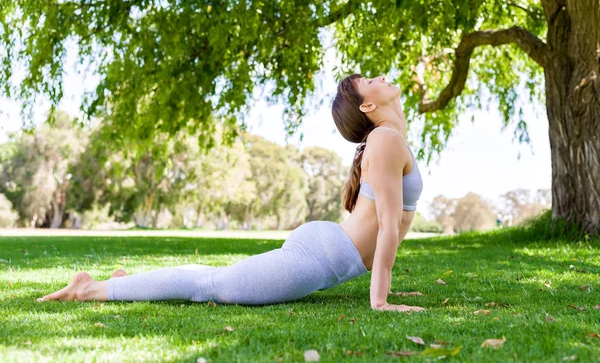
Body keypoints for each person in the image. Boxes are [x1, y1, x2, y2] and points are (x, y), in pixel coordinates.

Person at [36, 73, 425, 313]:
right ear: (369, 104)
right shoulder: (386, 139)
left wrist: (384, 285)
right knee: (211, 286)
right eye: (372, 81)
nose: (383, 76)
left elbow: (382, 223)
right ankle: (88, 290)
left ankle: (128, 282)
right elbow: (388, 226)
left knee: (212, 277)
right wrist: (381, 301)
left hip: (326, 249)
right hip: (318, 260)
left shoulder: (387, 139)